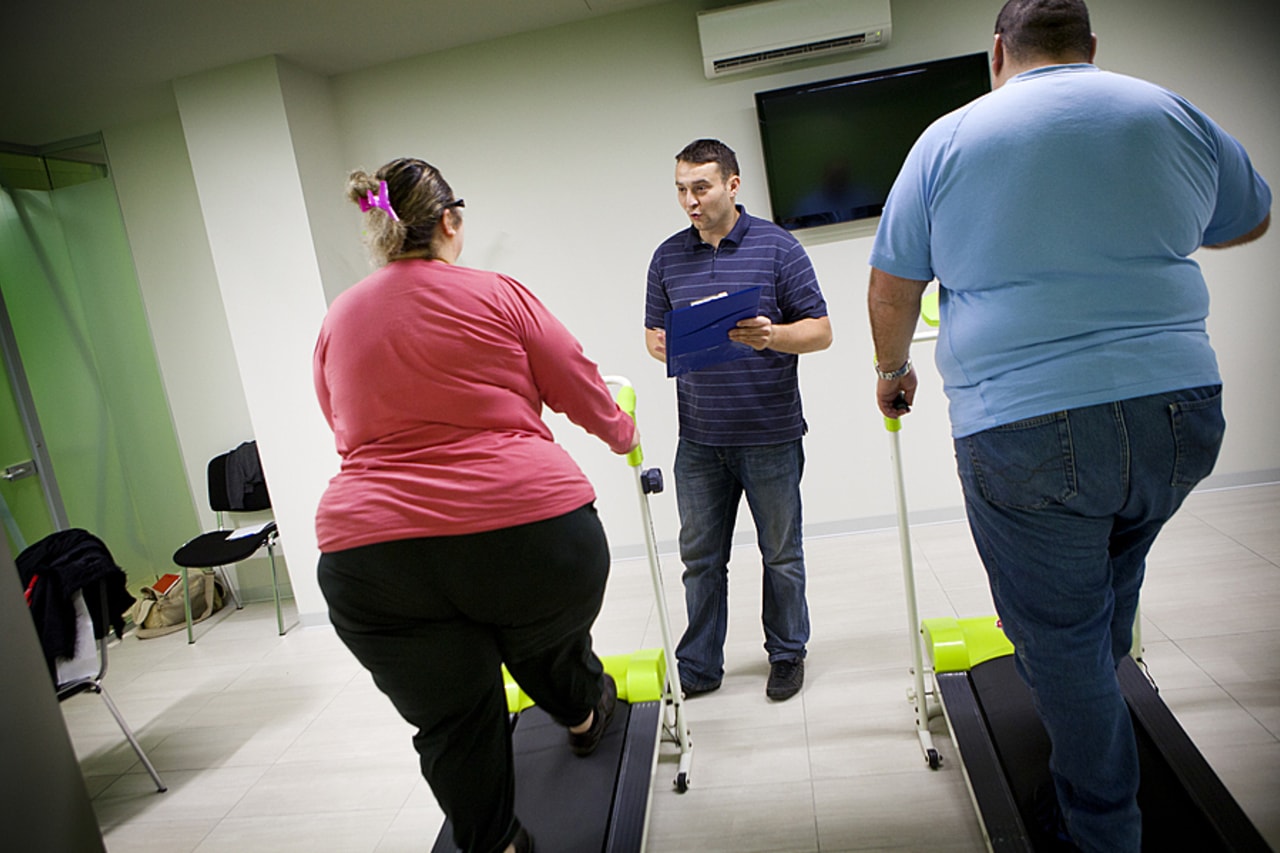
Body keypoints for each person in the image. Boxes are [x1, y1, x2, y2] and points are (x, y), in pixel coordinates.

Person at [866, 2, 1270, 850]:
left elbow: (894, 283)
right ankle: (1098, 675)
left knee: (1053, 634)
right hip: (1182, 413)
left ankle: (1102, 825)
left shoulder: (948, 138)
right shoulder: (1165, 108)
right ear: (1089, 48)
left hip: (1025, 424)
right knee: (1117, 555)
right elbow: (1249, 217)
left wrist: (892, 372)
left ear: (997, 55)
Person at [313, 157, 639, 853]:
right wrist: (622, 432)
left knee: (454, 716)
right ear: (450, 221)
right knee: (541, 643)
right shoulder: (497, 293)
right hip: (531, 536)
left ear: (378, 229)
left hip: (372, 558)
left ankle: (496, 842)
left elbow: (341, 427)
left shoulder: (338, 317)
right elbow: (578, 383)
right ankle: (582, 713)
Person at [645, 139, 832, 701]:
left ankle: (787, 654)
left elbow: (820, 330)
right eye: (681, 188)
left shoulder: (779, 248)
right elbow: (654, 337)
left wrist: (772, 335)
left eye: (700, 187)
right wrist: (672, 345)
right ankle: (699, 665)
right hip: (699, 439)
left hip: (770, 434)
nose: (689, 200)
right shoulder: (667, 257)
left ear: (732, 184)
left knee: (781, 554)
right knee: (700, 560)